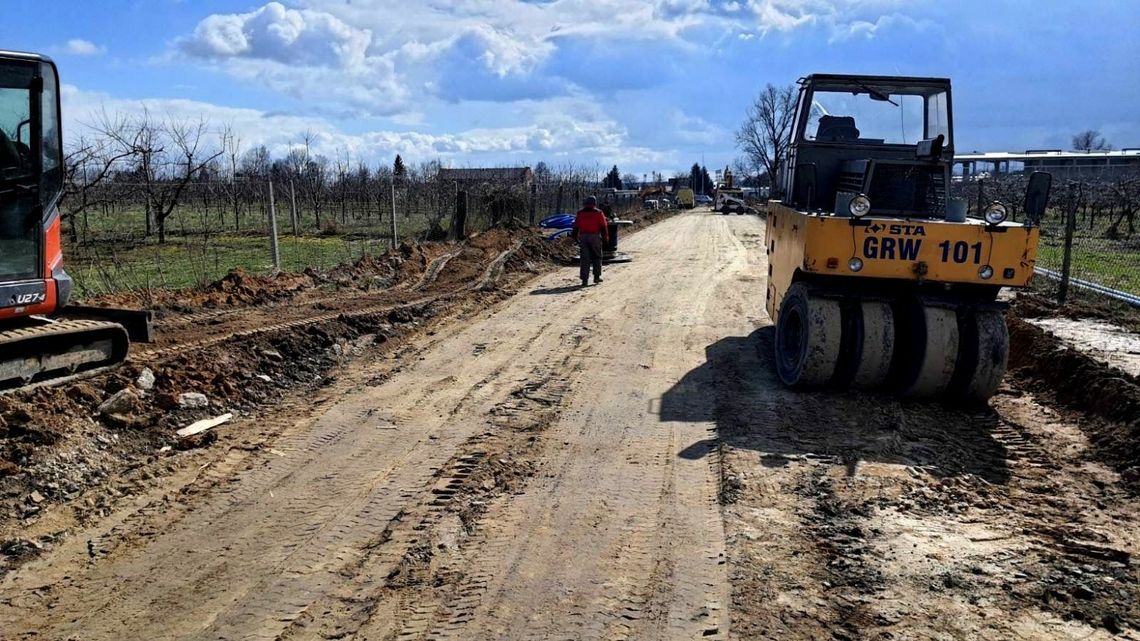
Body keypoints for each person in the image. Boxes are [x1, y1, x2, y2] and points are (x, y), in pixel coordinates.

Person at [572, 195, 608, 287]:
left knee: (584, 259)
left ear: (586, 203)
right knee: (597, 257)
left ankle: (584, 280)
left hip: (583, 237)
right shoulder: (599, 213)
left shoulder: (580, 213)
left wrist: (574, 237)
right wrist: (605, 238)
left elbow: (576, 226)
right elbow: (603, 227)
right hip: (595, 237)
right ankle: (596, 277)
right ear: (594, 203)